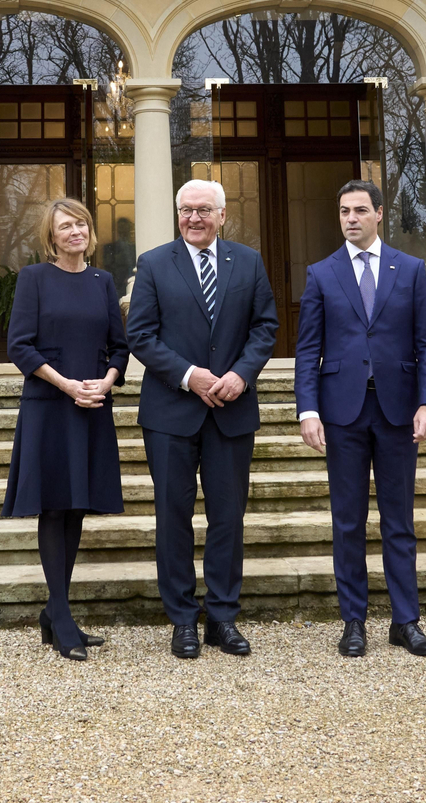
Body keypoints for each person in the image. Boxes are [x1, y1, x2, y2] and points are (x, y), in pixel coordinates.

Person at [125, 178, 278, 659]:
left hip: (232, 409)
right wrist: (190, 376)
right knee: (173, 518)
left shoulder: (248, 262)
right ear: (177, 215)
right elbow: (141, 336)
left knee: (228, 518)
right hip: (171, 412)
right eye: (187, 210)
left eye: (204, 210)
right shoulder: (152, 264)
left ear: (222, 214)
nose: (194, 218)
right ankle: (183, 620)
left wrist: (241, 375)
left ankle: (223, 617)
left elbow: (265, 326)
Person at [295, 179, 426, 658]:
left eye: (360, 210)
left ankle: (406, 622)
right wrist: (308, 409)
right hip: (341, 414)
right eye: (344, 211)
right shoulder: (321, 274)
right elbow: (307, 351)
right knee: (347, 522)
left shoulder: (412, 269)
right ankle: (353, 622)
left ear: (380, 213)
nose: (351, 218)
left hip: (399, 411)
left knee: (398, 521)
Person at [1, 198, 129, 660]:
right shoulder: (34, 279)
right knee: (53, 508)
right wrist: (67, 385)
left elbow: (119, 347)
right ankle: (61, 614)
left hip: (92, 406)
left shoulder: (103, 282)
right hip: (49, 407)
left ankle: (55, 612)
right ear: (51, 237)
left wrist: (105, 382)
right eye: (65, 226)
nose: (75, 231)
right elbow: (20, 346)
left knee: (76, 507)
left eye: (80, 223)